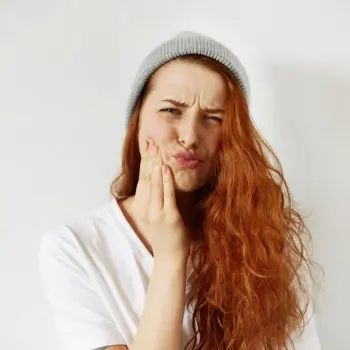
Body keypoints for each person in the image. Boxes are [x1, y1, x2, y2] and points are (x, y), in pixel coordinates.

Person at [38, 31, 321, 350]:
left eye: (213, 118)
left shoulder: (267, 244)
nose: (189, 135)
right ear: (138, 121)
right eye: (171, 111)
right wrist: (171, 256)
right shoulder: (75, 248)